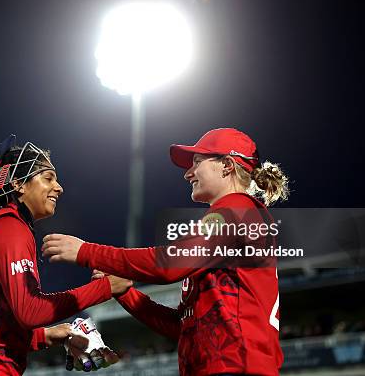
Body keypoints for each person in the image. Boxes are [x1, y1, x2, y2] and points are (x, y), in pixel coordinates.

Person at [42, 128, 289, 376]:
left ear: (226, 165)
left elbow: (169, 263)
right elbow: (182, 327)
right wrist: (127, 293)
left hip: (237, 367)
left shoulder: (237, 209)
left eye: (197, 162)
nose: (188, 173)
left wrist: (86, 251)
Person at [0, 135, 130, 375]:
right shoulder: (9, 226)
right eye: (48, 177)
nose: (59, 187)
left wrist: (48, 334)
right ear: (17, 184)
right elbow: (30, 312)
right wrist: (106, 287)